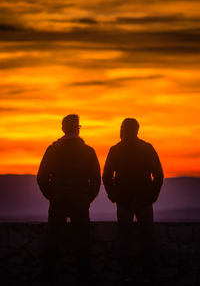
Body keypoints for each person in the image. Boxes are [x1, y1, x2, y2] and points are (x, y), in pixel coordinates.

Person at [37, 114, 101, 283]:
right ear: (78, 128)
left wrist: (51, 195)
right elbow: (96, 179)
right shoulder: (88, 151)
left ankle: (48, 277)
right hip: (80, 201)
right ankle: (84, 277)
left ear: (63, 128)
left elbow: (41, 177)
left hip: (58, 201)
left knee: (52, 241)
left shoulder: (53, 150)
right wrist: (88, 198)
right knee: (83, 243)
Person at [103, 118, 164, 282]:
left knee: (124, 240)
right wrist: (152, 196)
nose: (120, 130)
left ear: (125, 130)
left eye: (122, 128)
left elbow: (107, 176)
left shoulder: (115, 150)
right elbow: (158, 175)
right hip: (144, 201)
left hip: (124, 201)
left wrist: (114, 196)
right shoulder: (147, 148)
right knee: (147, 239)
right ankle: (148, 274)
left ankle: (126, 275)